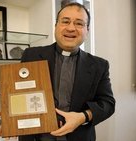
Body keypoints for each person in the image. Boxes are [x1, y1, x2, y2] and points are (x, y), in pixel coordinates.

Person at [17, 2, 115, 141]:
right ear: (56, 26)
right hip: (35, 136)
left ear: (87, 30)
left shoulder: (99, 65)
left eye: (79, 23)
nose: (71, 28)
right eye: (65, 21)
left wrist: (83, 117)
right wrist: (11, 112)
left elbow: (107, 104)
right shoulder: (31, 55)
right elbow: (20, 93)